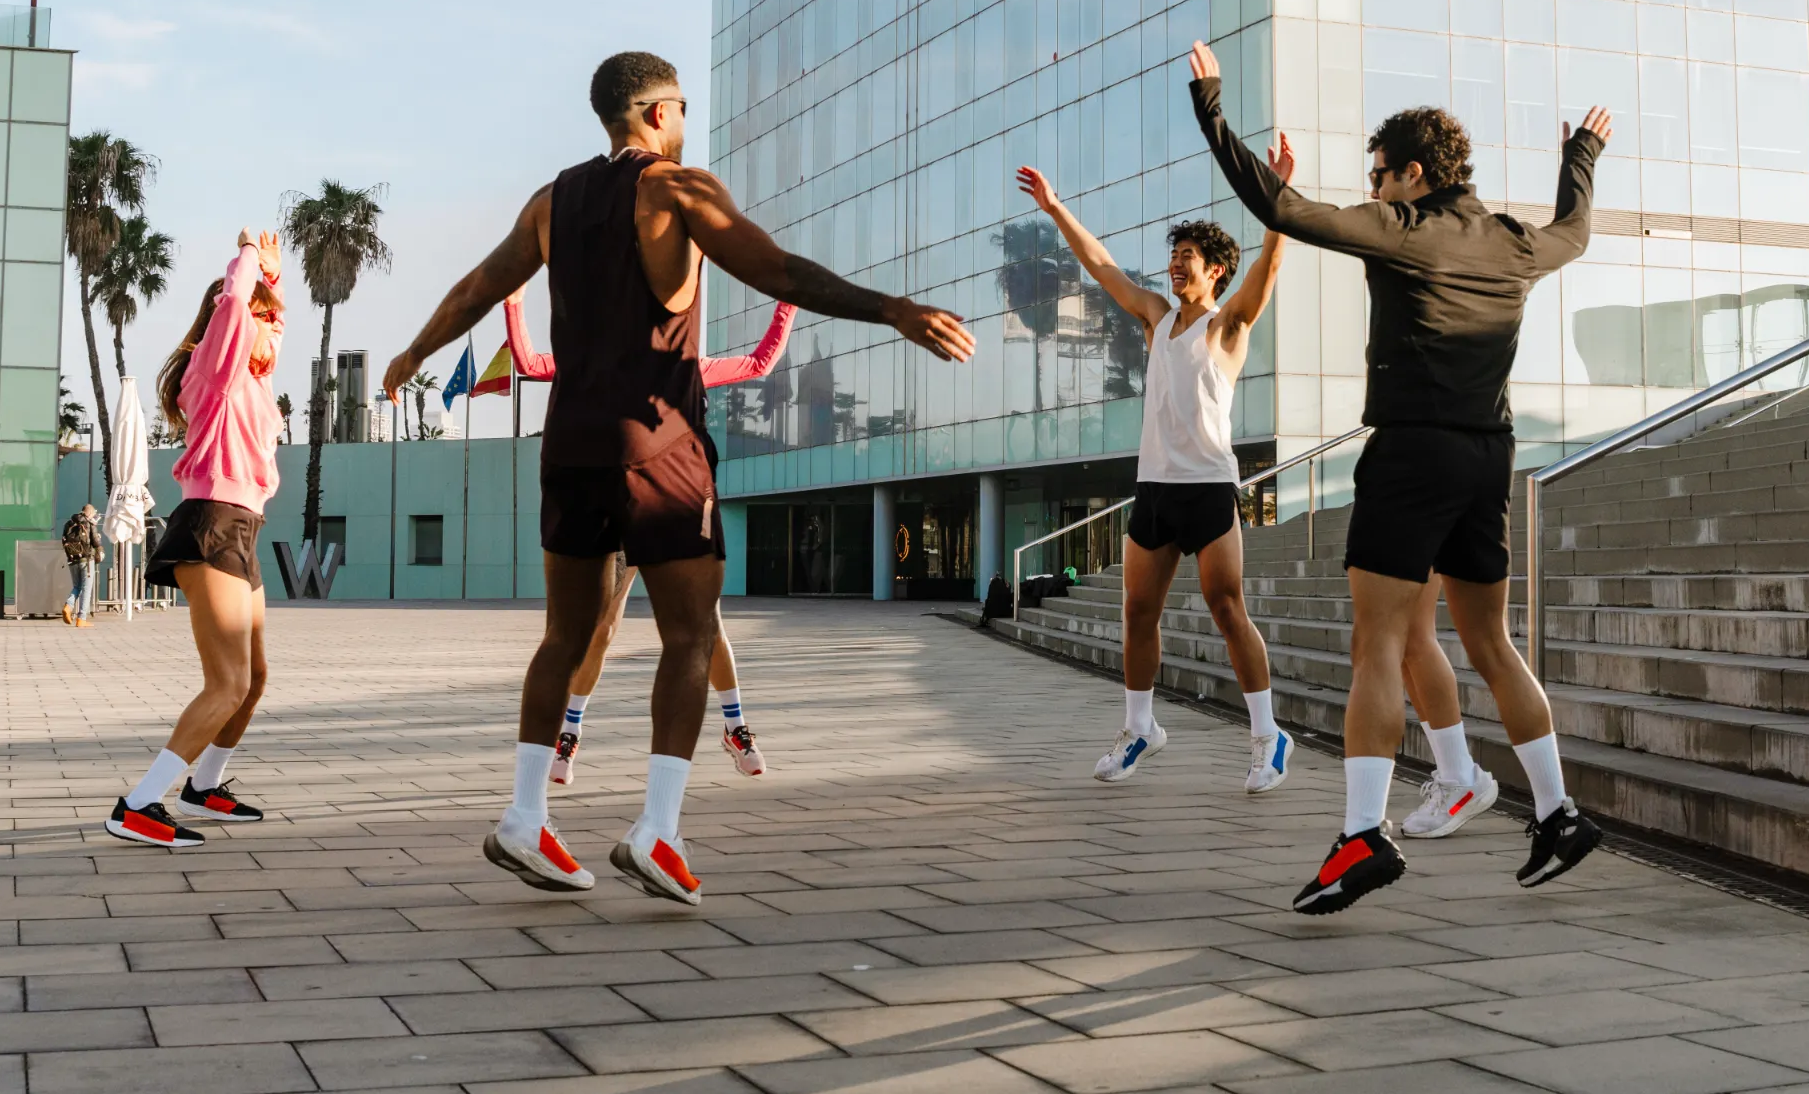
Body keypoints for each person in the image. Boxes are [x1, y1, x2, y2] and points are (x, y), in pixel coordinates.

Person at [383, 50, 973, 905]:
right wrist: (892, 309)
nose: (688, 121)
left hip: (569, 447)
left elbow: (481, 285)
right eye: (684, 107)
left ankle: (524, 814)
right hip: (659, 449)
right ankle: (657, 830)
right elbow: (777, 271)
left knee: (563, 637)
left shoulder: (550, 202)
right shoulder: (676, 190)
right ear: (659, 112)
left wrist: (414, 351)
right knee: (690, 635)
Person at [1184, 40, 1612, 912]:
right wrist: (1582, 157)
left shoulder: (1403, 228)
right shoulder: (1515, 242)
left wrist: (1211, 109)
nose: (1372, 189)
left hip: (1412, 452)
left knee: (1376, 644)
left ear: (1414, 174)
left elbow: (1281, 206)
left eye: (1378, 174)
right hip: (1489, 457)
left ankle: (1361, 838)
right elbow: (1575, 230)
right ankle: (1558, 813)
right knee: (1490, 642)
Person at [1014, 156, 1296, 796]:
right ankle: (1140, 727)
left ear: (1214, 269)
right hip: (1156, 488)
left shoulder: (1227, 326)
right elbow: (1102, 266)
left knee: (1227, 608)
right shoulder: (1155, 318)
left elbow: (1270, 266)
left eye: (1187, 256)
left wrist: (1276, 197)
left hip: (1209, 488)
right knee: (1138, 611)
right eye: (1173, 256)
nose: (1175, 264)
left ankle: (1267, 735)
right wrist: (1055, 209)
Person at [502, 284, 795, 781]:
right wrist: (513, 302)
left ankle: (736, 726)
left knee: (706, 624)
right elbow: (529, 363)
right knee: (601, 628)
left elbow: (760, 363)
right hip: (614, 510)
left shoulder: (689, 368)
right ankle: (569, 735)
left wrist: (788, 302)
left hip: (674, 507)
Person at [105, 231, 284, 847]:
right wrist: (248, 262)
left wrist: (272, 285)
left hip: (242, 527)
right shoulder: (216, 371)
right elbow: (233, 310)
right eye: (265, 321)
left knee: (253, 678)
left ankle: (203, 787)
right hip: (210, 523)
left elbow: (261, 323)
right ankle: (137, 804)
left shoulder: (252, 383)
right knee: (227, 682)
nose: (272, 332)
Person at [61, 504, 103, 627]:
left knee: (77, 586)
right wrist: (100, 547)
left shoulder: (69, 523)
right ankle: (81, 618)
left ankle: (68, 606)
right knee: (86, 588)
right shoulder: (89, 523)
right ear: (90, 513)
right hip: (86, 560)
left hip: (72, 559)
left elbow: (63, 540)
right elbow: (96, 542)